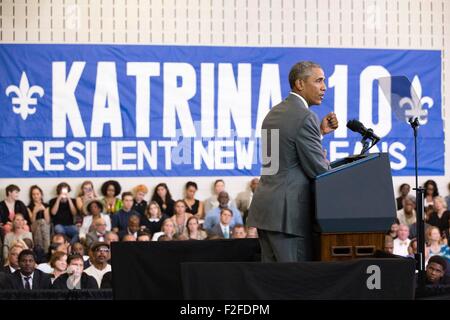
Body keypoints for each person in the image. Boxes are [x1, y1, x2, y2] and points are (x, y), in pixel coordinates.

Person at [247, 61, 338, 262]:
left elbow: (287, 154)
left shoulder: (274, 113)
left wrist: (320, 133)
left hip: (266, 210)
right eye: (319, 80)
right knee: (292, 283)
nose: (324, 87)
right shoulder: (305, 117)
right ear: (300, 84)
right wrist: (325, 160)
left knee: (272, 282)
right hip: (288, 217)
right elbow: (319, 170)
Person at [27, 185, 51, 252]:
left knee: (42, 223)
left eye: (37, 194)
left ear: (41, 195)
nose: (36, 196)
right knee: (40, 222)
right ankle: (46, 251)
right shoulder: (29, 207)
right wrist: (34, 211)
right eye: (33, 194)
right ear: (31, 196)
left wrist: (44, 210)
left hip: (44, 227)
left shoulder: (46, 206)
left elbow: (48, 221)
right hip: (34, 226)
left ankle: (39, 251)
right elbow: (32, 221)